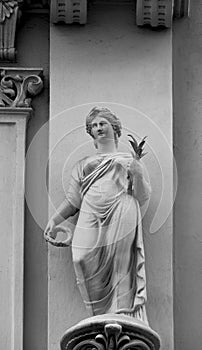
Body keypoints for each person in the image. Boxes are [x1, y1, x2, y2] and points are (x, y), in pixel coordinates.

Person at [44, 107, 151, 323]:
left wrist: (137, 171)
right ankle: (99, 317)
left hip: (122, 206)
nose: (98, 127)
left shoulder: (128, 160)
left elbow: (142, 195)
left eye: (103, 123)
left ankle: (121, 313)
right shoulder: (82, 165)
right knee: (80, 257)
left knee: (122, 262)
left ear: (115, 128)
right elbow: (73, 200)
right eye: (94, 125)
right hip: (90, 211)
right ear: (91, 133)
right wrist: (55, 220)